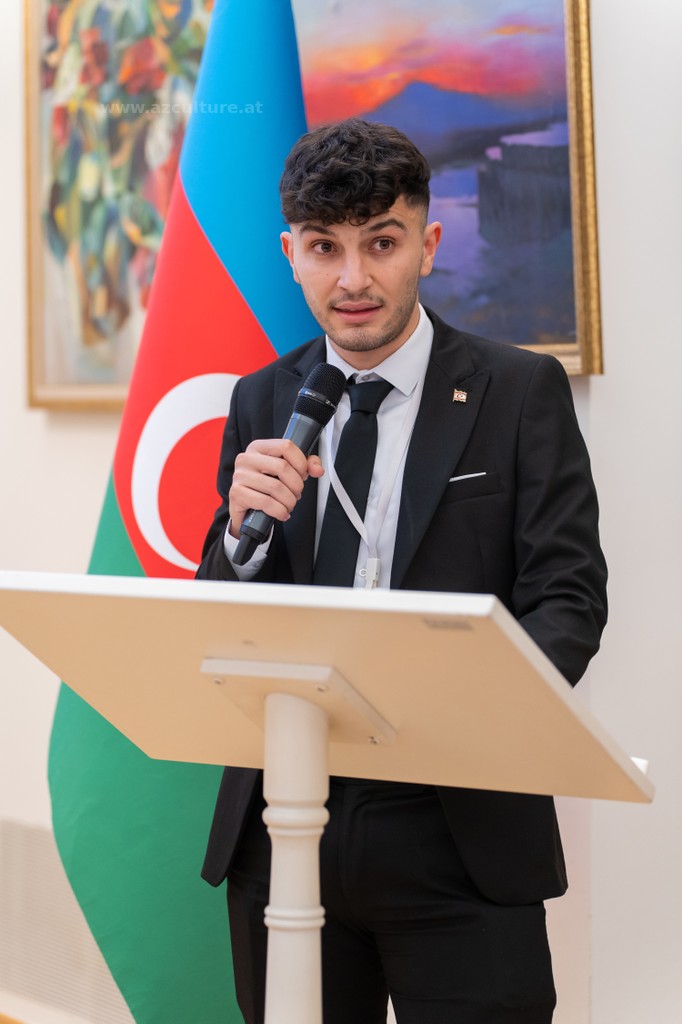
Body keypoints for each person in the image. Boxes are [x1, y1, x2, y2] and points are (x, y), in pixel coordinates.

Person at [197, 117, 608, 1024]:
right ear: (291, 256)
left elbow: (569, 600)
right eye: (324, 248)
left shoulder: (518, 391)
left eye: (380, 244)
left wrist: (458, 715)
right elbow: (219, 615)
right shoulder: (261, 398)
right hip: (284, 826)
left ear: (428, 242)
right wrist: (239, 536)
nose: (353, 279)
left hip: (459, 829)